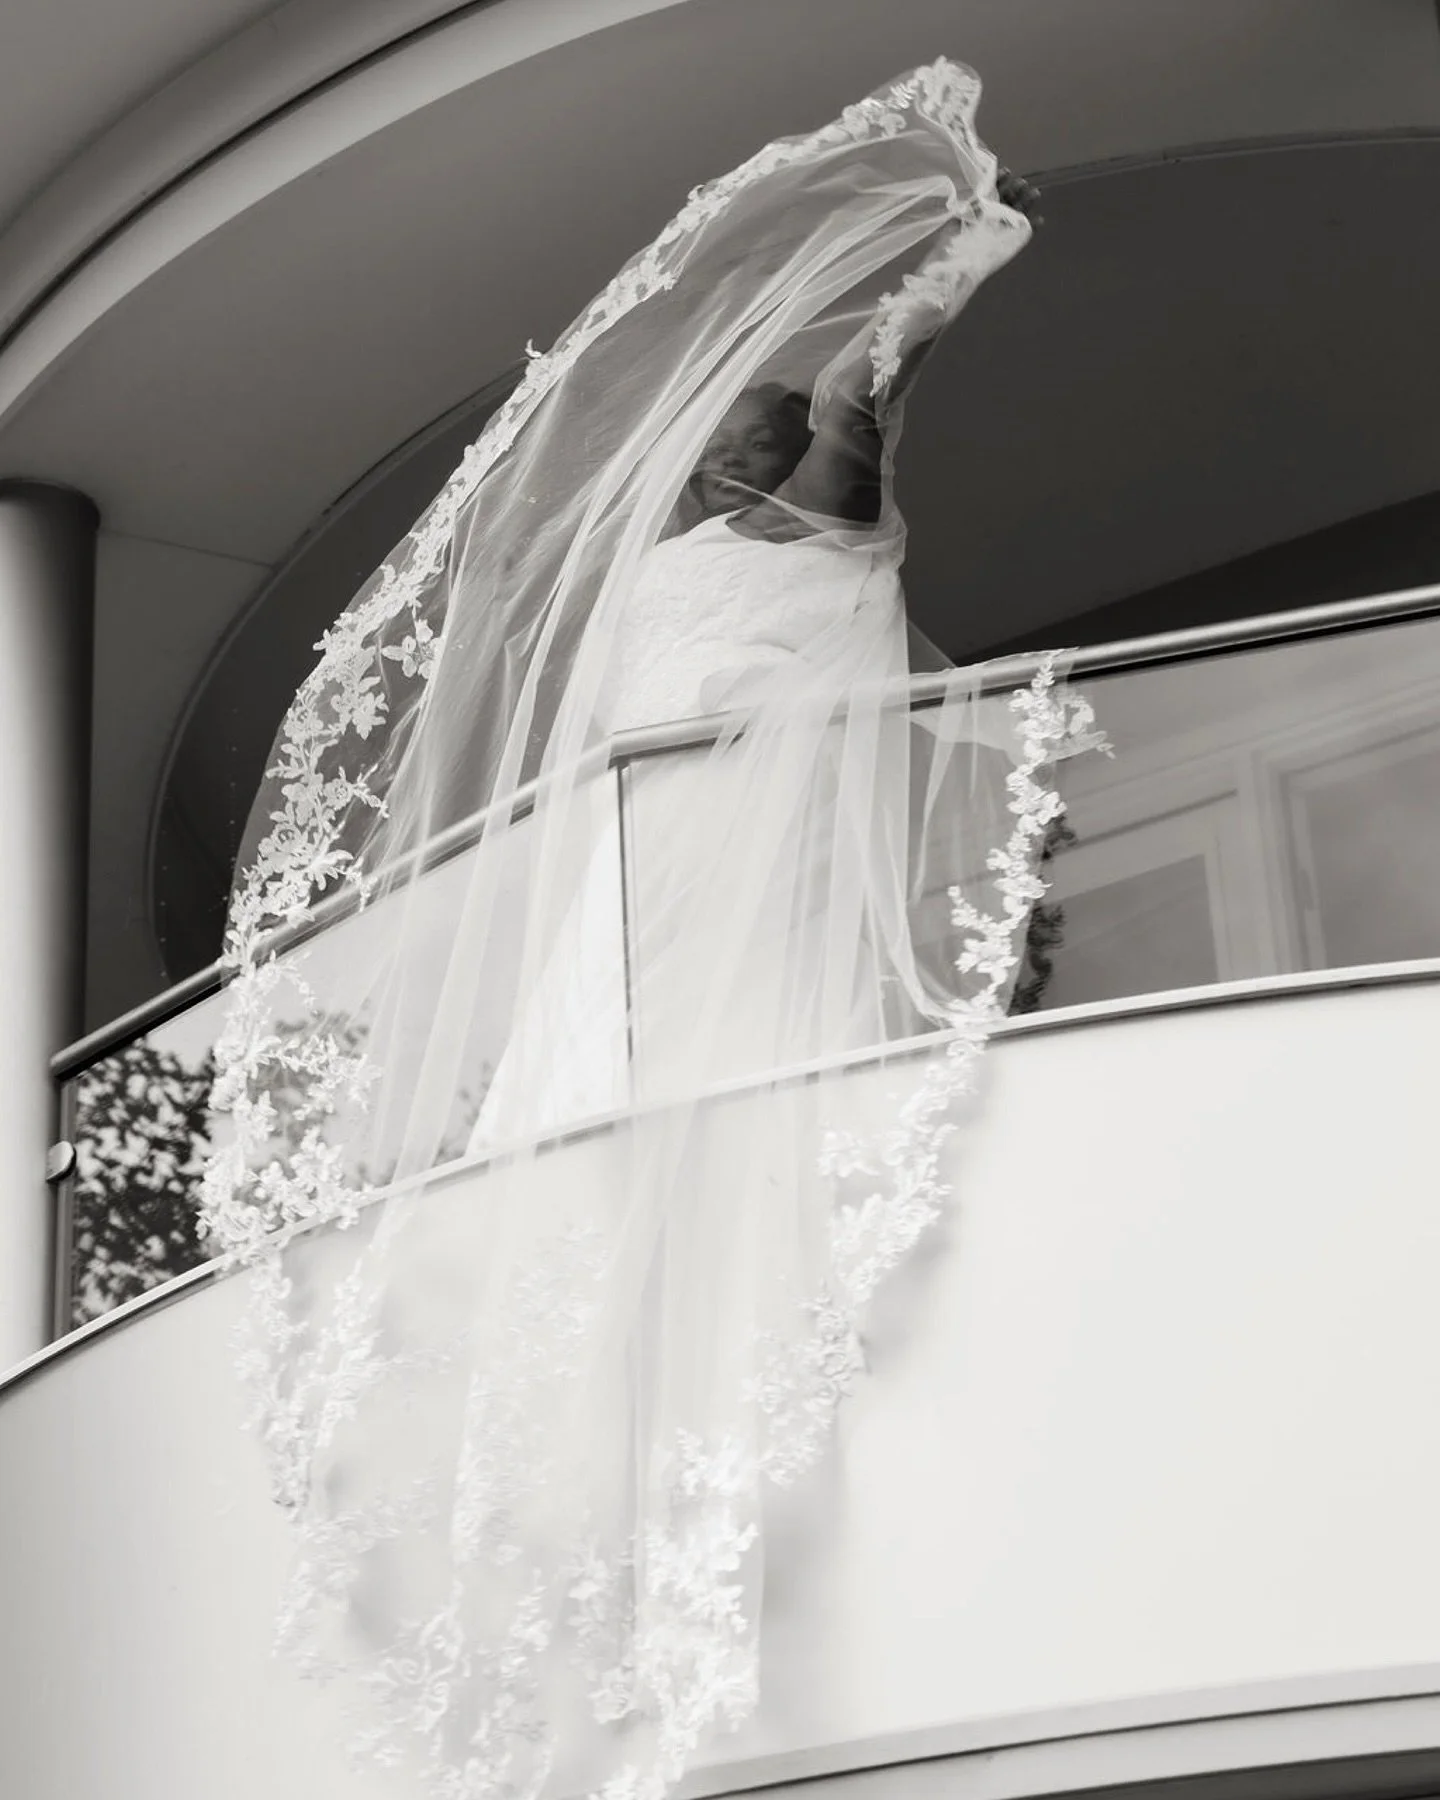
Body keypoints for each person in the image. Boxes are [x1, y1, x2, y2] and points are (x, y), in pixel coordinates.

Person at [202, 65, 1093, 1800]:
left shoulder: (831, 517)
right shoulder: (655, 571)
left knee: (729, 1074)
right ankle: (582, 1498)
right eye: (733, 426)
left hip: (736, 867)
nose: (744, 431)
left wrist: (952, 260)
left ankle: (717, 1481)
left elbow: (863, 381)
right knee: (596, 1110)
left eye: (758, 421)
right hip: (636, 867)